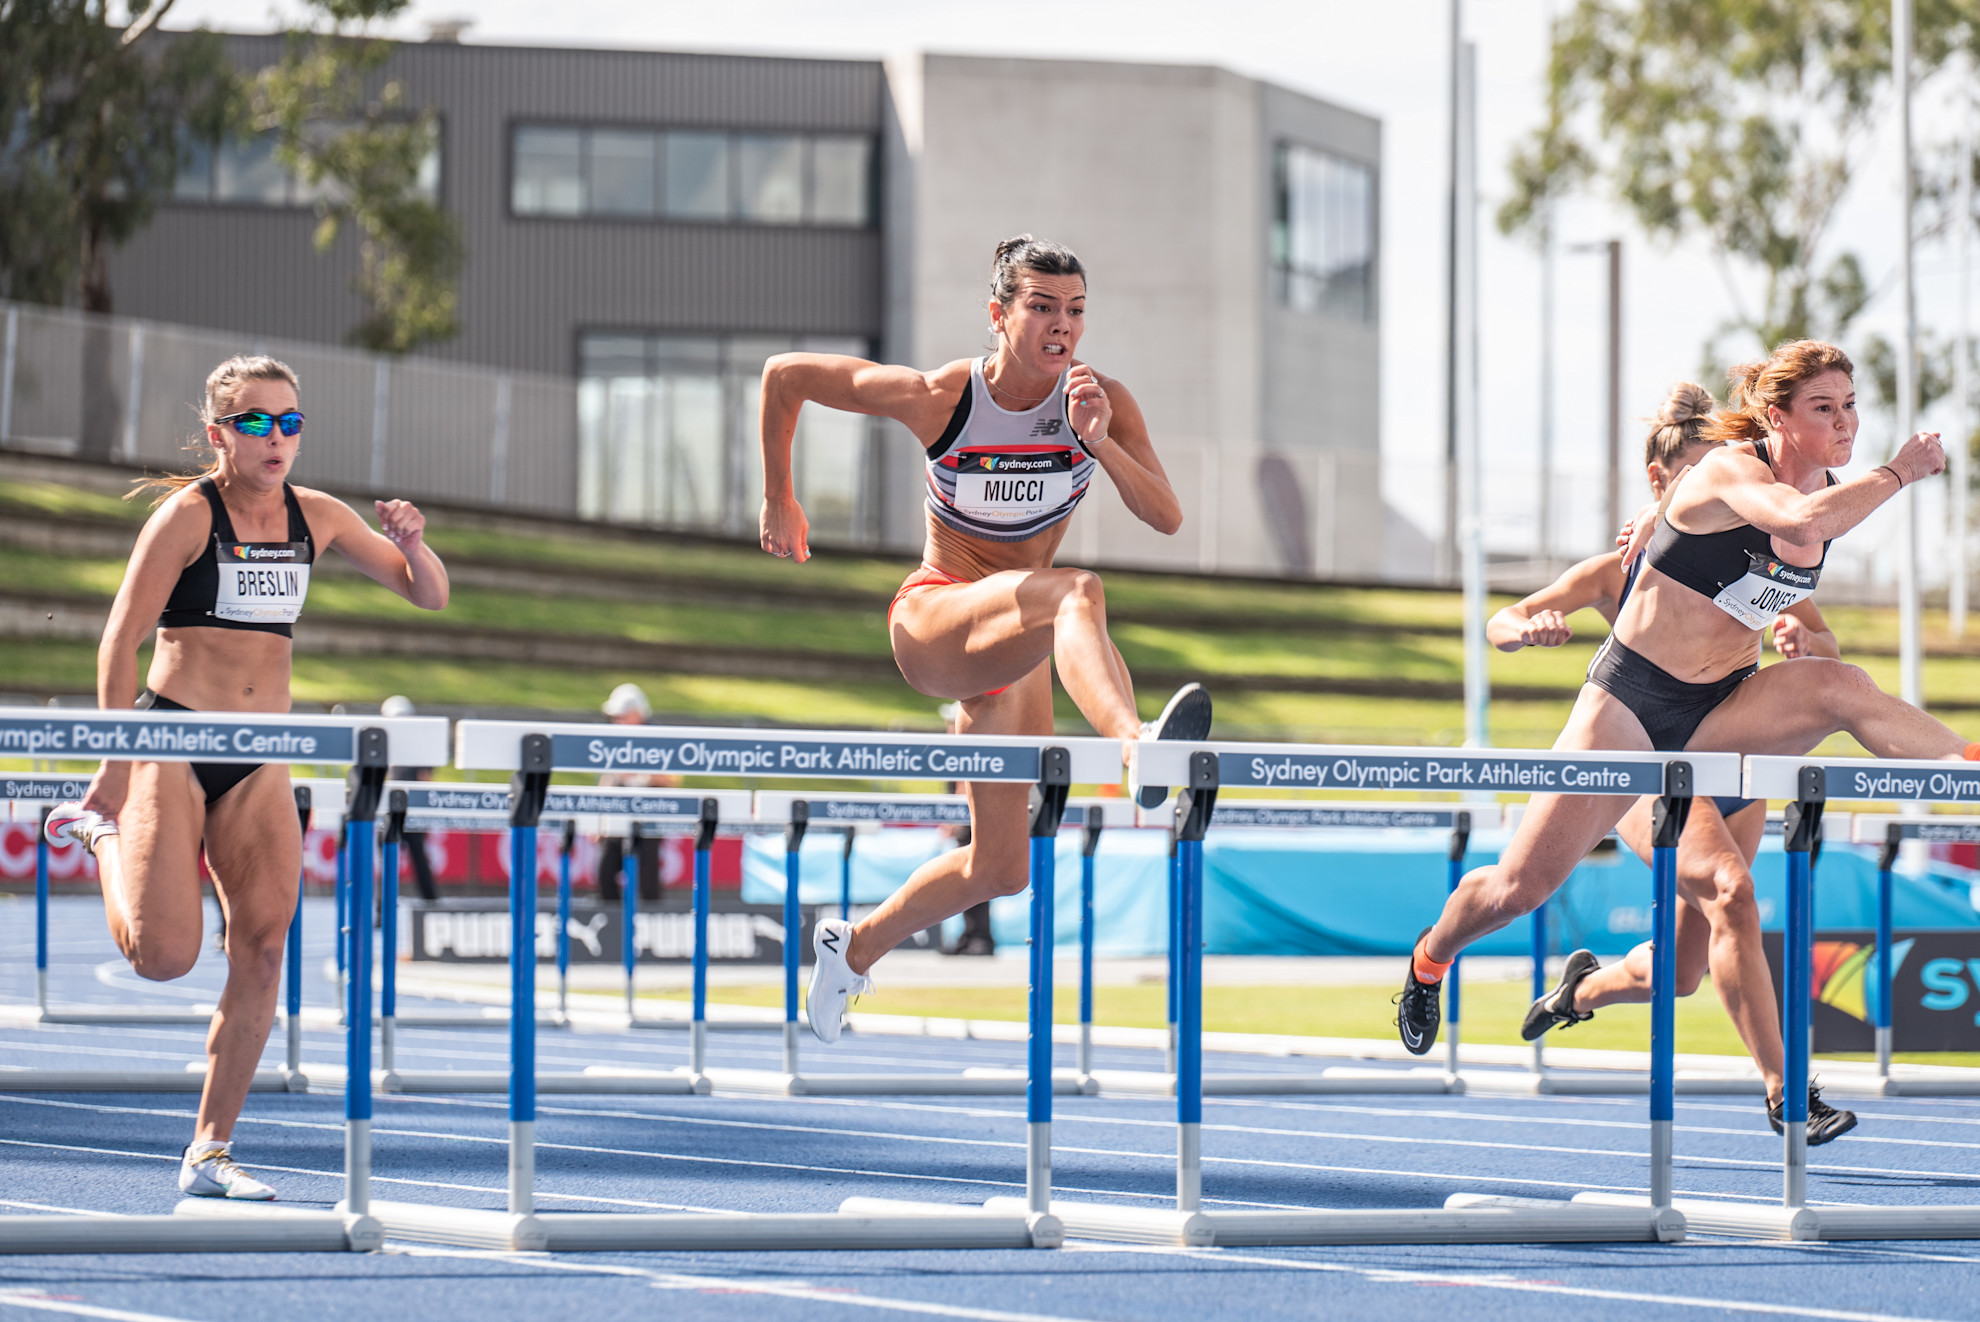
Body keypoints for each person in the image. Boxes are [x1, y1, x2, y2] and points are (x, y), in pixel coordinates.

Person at [1400, 340, 1977, 1138]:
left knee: (1839, 688)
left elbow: (1819, 615)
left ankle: (1966, 765)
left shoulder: (1828, 499)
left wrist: (1804, 642)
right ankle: (1431, 956)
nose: (1845, 422)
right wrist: (1902, 471)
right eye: (1824, 408)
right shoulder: (1735, 475)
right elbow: (1798, 519)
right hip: (1631, 712)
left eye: (1851, 406)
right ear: (1776, 418)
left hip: (1721, 710)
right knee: (1519, 890)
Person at [758, 234, 1211, 1041]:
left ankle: (852, 948)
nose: (1061, 324)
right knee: (1077, 591)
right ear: (998, 315)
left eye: (1075, 310)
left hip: (1017, 643)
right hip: (935, 620)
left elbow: (1167, 516)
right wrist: (779, 497)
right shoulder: (944, 397)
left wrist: (1099, 442)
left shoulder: (1100, 400)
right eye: (1041, 307)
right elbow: (784, 376)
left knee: (1001, 868)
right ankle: (1137, 748)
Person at [46, 355, 449, 1199]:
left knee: (264, 951)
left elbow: (428, 596)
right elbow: (119, 642)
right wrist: (114, 766)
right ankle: (102, 835)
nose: (276, 438)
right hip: (173, 739)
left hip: (260, 752)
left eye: (289, 422)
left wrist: (415, 546)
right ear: (218, 432)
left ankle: (210, 1150)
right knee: (163, 957)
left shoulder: (319, 516)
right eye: (257, 421)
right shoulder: (187, 517)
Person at [1491, 382, 1852, 1141]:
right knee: (1734, 895)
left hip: (1724, 758)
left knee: (1682, 972)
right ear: (1663, 483)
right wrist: (1526, 628)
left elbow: (1824, 641)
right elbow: (1507, 617)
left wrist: (1802, 641)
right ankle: (1788, 1093)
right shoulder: (1612, 569)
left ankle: (1581, 991)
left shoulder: (1757, 548)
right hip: (1643, 757)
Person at [594, 682, 669, 903]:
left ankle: (650, 918)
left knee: (648, 877)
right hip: (618, 814)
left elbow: (671, 779)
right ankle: (612, 918)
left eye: (622, 716)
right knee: (606, 871)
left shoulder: (659, 739)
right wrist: (599, 819)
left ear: (637, 713)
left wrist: (640, 774)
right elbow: (608, 779)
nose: (617, 721)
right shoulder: (616, 741)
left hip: (649, 816)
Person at [382, 694, 440, 903]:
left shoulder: (416, 744)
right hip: (393, 806)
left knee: (411, 856)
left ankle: (428, 899)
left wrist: (423, 810)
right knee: (389, 857)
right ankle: (383, 904)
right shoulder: (390, 743)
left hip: (410, 808)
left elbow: (425, 778)